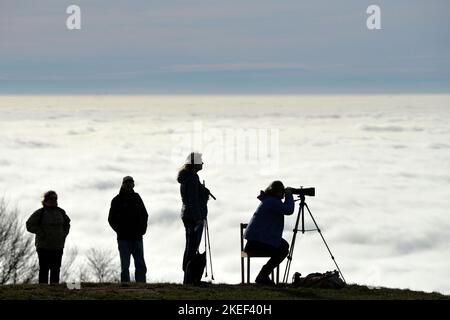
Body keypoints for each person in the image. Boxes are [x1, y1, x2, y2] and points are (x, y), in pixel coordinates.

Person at [244, 181, 295, 285]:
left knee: (283, 246)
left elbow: (285, 208)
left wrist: (288, 196)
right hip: (257, 242)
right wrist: (289, 195)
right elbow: (289, 210)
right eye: (282, 190)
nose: (283, 193)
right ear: (277, 191)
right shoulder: (272, 202)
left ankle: (263, 275)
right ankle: (263, 275)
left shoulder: (269, 200)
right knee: (283, 249)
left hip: (257, 239)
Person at [177, 152, 210, 284]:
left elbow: (192, 199)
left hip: (187, 215)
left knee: (190, 246)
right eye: (200, 161)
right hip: (193, 216)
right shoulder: (192, 178)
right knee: (192, 246)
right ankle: (189, 279)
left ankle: (188, 277)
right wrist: (198, 218)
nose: (202, 163)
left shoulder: (188, 177)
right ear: (194, 163)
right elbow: (193, 200)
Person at [108, 176, 149, 283]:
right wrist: (119, 230)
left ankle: (141, 286)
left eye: (131, 183)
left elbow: (145, 214)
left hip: (137, 237)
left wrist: (142, 230)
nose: (129, 185)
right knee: (125, 266)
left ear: (133, 185)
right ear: (123, 184)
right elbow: (111, 219)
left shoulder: (137, 198)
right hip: (123, 239)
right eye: (127, 183)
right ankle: (125, 286)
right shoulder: (116, 200)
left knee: (140, 264)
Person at [26, 191, 71, 284]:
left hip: (58, 246)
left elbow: (67, 223)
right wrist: (40, 232)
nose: (53, 200)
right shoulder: (40, 213)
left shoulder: (61, 212)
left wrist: (64, 234)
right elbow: (29, 225)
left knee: (56, 269)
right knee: (44, 269)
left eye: (55, 198)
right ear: (45, 200)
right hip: (43, 247)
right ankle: (43, 290)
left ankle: (54, 290)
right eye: (51, 198)